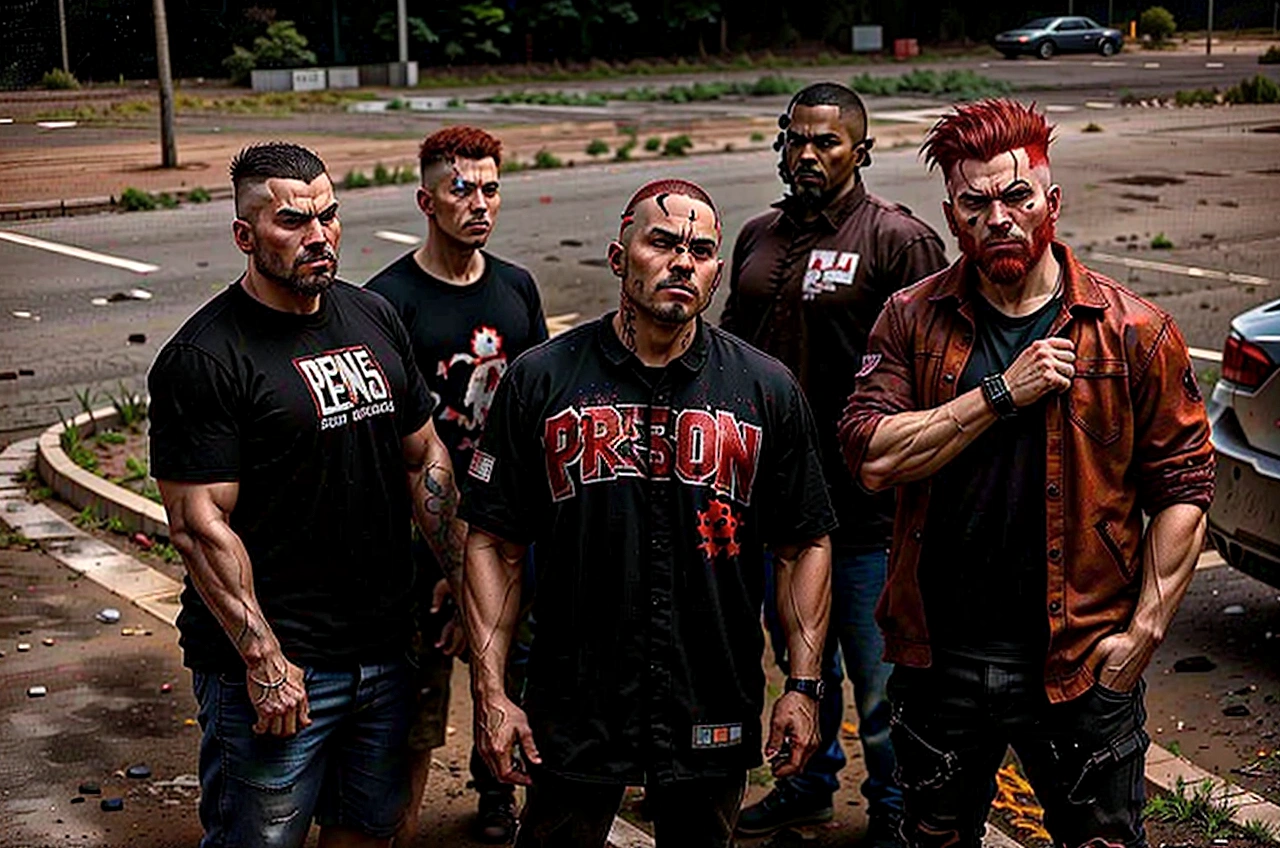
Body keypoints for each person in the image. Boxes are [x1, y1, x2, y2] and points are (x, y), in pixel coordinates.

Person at [838, 99, 1215, 848]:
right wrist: (999, 394)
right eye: (976, 202)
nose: (999, 216)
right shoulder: (911, 320)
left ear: (1052, 201)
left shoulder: (1132, 331)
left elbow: (1184, 490)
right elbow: (872, 457)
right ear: (952, 214)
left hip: (1078, 668)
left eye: (1017, 195)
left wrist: (1141, 636)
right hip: (939, 662)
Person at [460, 178, 837, 848]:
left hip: (710, 691)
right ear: (618, 257)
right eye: (662, 242)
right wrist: (492, 693)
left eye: (702, 249)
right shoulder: (542, 380)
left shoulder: (765, 388)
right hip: (574, 700)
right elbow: (494, 542)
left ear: (718, 268)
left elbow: (803, 543)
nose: (682, 261)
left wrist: (804, 688)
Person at [149, 141, 467, 848]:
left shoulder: (372, 316)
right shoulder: (204, 359)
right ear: (244, 235)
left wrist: (468, 590)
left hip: (383, 651)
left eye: (328, 215)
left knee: (368, 831)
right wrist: (263, 662)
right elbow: (200, 526)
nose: (318, 236)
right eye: (293, 221)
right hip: (278, 673)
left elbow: (425, 461)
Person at [720, 81, 947, 843]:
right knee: (799, 664)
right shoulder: (756, 236)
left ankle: (894, 813)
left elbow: (936, 370)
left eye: (826, 142)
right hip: (771, 507)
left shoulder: (897, 240)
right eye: (796, 139)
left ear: (861, 150)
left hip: (866, 515)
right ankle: (808, 785)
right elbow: (724, 355)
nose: (807, 154)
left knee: (881, 679)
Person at [365, 125, 548, 845]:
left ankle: (497, 789)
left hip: (506, 531)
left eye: (491, 188)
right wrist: (446, 559)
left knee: (513, 674)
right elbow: (394, 450)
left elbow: (533, 417)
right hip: (421, 541)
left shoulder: (516, 289)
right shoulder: (389, 302)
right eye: (461, 189)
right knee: (419, 701)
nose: (479, 203)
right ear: (426, 201)